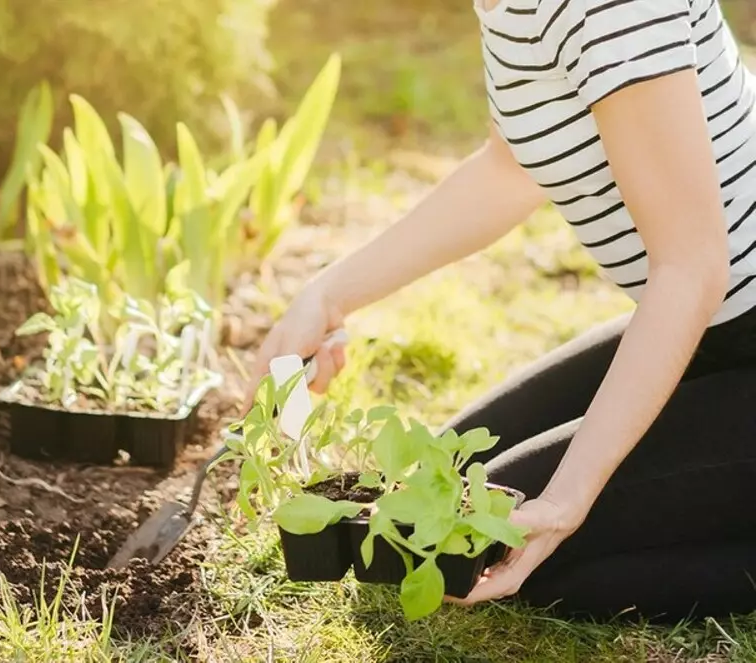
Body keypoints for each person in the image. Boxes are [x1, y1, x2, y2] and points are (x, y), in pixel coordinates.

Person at [246, 0, 756, 620]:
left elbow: (693, 264)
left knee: (522, 558)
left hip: (712, 304)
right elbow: (511, 166)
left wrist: (567, 503)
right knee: (442, 499)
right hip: (710, 330)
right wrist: (327, 294)